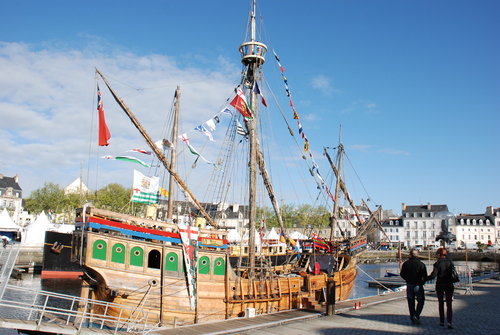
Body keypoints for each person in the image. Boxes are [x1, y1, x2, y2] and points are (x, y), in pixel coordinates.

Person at [425, 247, 455, 329]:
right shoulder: (450, 263)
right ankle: (449, 322)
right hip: (449, 284)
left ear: (439, 254)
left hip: (440, 285)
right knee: (449, 304)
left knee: (441, 303)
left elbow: (433, 275)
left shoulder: (437, 264)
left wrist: (424, 278)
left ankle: (442, 321)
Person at [400, 248, 427, 324]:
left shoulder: (406, 264)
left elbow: (402, 274)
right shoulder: (421, 264)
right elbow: (424, 276)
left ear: (410, 255)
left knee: (411, 302)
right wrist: (422, 281)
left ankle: (412, 317)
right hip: (418, 284)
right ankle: (416, 315)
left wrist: (407, 279)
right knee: (421, 301)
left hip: (409, 284)